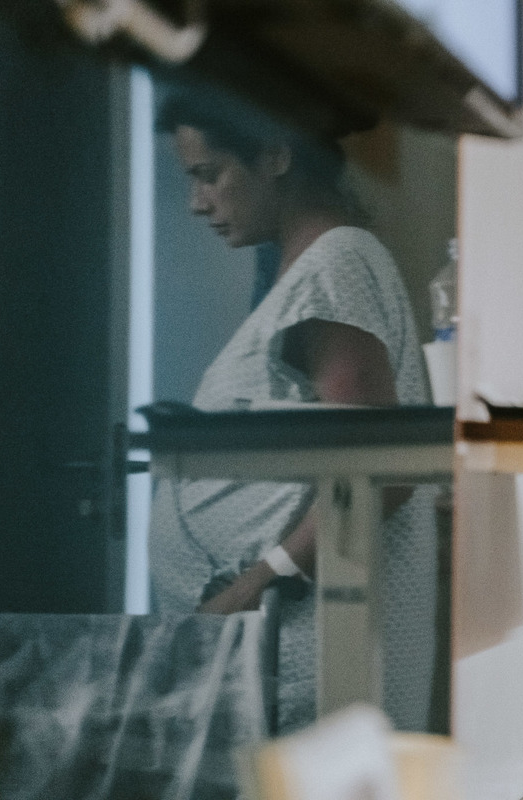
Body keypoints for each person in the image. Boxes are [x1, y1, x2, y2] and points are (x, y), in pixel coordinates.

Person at [148, 86, 439, 735]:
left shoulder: (335, 264)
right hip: (287, 650)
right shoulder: (310, 269)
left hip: (315, 646)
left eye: (209, 175)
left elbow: (380, 472)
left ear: (276, 156)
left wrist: (258, 581)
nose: (198, 203)